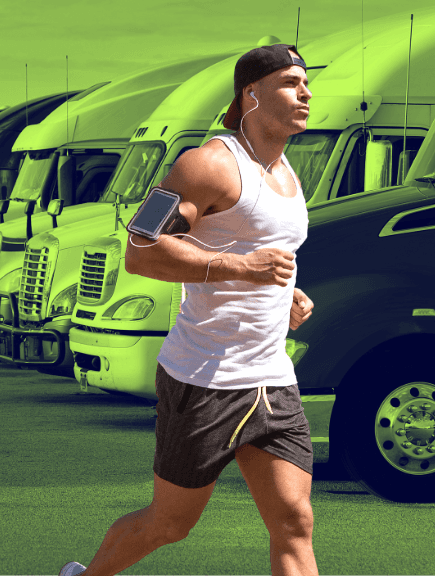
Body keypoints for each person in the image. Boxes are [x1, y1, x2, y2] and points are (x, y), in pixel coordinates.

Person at [59, 43, 318, 576]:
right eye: (292, 82)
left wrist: (283, 293)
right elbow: (141, 248)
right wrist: (243, 269)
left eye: (307, 82)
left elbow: (262, 248)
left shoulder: (287, 172)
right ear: (252, 93)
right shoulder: (206, 164)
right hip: (204, 378)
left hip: (272, 377)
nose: (307, 93)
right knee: (170, 525)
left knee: (294, 520)